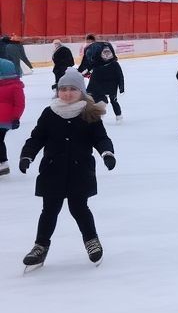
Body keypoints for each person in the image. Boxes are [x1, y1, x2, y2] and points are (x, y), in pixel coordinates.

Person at [19, 69, 115, 269]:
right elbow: (37, 138)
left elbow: (100, 138)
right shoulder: (49, 112)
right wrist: (27, 155)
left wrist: (107, 153)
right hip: (52, 171)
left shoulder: (88, 113)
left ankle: (91, 241)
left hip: (80, 172)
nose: (68, 93)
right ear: (58, 91)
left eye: (73, 89)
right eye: (63, 89)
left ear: (81, 91)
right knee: (49, 211)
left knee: (79, 209)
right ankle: (40, 247)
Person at [0, 58, 27, 176]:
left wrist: (16, 118)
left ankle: (3, 163)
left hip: (5, 119)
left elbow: (20, 104)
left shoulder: (15, 86)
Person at [87, 45, 125, 122]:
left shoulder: (115, 64)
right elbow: (93, 78)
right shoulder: (98, 65)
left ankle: (118, 115)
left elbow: (120, 76)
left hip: (112, 86)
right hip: (101, 87)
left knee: (113, 100)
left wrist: (121, 88)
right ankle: (99, 115)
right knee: (100, 100)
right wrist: (89, 89)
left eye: (108, 53)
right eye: (105, 53)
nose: (107, 55)